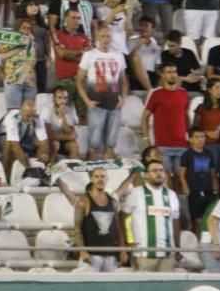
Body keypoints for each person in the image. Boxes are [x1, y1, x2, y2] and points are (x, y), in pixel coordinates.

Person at [77, 27, 128, 160]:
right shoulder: (89, 55)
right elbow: (79, 81)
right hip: (96, 103)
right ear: (98, 38)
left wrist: (123, 98)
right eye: (103, 36)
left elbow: (124, 81)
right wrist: (87, 101)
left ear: (112, 38)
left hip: (114, 103)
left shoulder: (119, 55)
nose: (106, 39)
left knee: (111, 143)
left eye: (108, 36)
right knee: (93, 144)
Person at [123, 160, 180, 271]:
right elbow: (122, 217)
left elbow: (175, 221)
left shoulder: (171, 195)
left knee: (166, 287)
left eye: (161, 170)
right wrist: (127, 241)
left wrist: (177, 246)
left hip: (167, 254)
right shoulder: (136, 193)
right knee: (143, 288)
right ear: (146, 175)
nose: (158, 173)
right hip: (143, 253)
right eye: (154, 171)